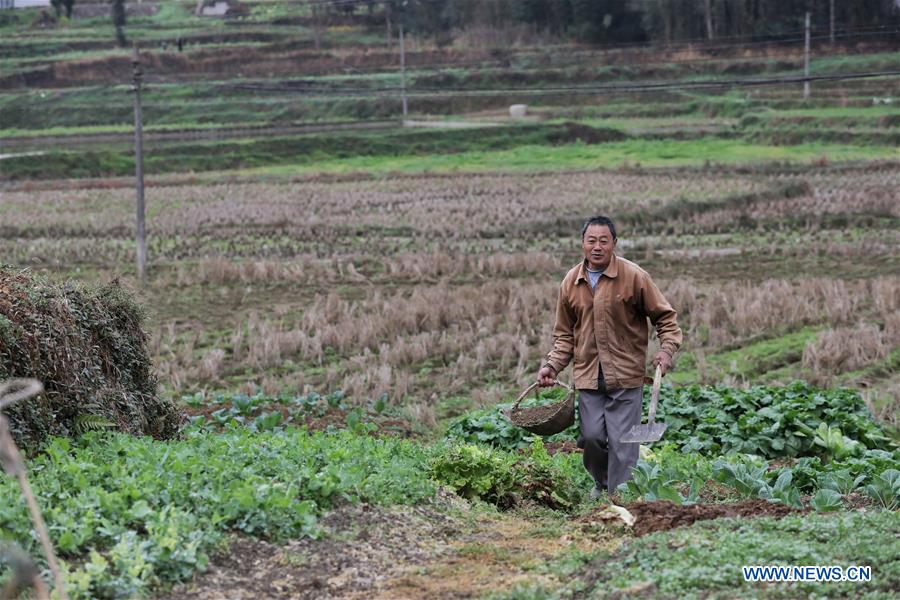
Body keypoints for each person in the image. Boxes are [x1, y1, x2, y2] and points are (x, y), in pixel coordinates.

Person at [537, 215, 682, 500]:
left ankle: (620, 497)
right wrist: (552, 365)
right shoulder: (571, 282)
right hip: (590, 376)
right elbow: (565, 334)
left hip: (626, 376)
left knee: (622, 443)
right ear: (582, 243)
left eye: (604, 241)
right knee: (591, 438)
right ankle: (603, 484)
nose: (597, 246)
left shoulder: (634, 276)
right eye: (591, 241)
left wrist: (666, 350)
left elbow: (665, 318)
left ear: (614, 243)